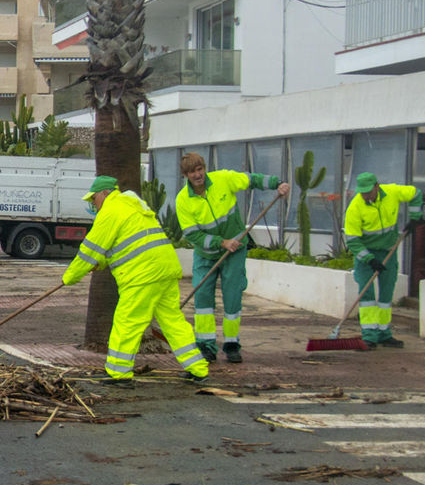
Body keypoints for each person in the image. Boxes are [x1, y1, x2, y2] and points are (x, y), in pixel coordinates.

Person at [62, 176, 210, 388]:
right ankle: (198, 369)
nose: (93, 204)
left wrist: (69, 277)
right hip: (165, 269)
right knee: (173, 321)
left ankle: (118, 373)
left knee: (127, 322)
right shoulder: (133, 206)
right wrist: (101, 263)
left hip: (143, 275)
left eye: (94, 199)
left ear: (105, 193)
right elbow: (124, 244)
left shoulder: (110, 211)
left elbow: (90, 250)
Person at [174, 153, 290, 364]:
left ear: (204, 168)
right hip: (206, 254)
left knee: (232, 297)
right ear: (186, 175)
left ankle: (231, 345)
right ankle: (206, 346)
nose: (198, 175)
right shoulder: (183, 200)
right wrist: (221, 242)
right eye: (193, 172)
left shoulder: (223, 179)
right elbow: (193, 235)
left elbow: (250, 179)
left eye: (200, 169)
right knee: (202, 301)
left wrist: (278, 184)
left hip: (235, 251)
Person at [344, 172, 422, 348]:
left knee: (386, 295)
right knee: (367, 295)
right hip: (366, 255)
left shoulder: (392, 192)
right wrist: (370, 259)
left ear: (376, 187)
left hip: (388, 251)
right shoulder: (355, 207)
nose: (365, 195)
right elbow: (353, 240)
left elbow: (416, 193)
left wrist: (415, 218)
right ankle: (369, 336)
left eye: (368, 192)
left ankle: (384, 333)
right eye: (362, 192)